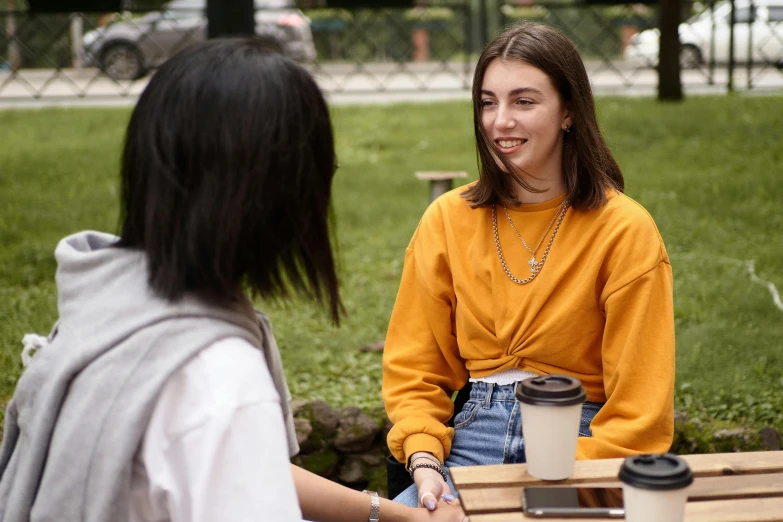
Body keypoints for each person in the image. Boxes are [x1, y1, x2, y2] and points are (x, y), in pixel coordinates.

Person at [0, 39, 466, 522]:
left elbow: (240, 466)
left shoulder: (107, 307)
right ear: (277, 191)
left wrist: (393, 515)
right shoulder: (218, 377)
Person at [382, 22, 675, 509]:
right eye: (488, 102)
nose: (500, 121)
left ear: (569, 112)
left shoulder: (624, 230)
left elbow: (638, 415)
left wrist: (555, 487)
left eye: (524, 101)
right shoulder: (448, 219)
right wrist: (426, 461)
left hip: (584, 449)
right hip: (470, 444)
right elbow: (416, 370)